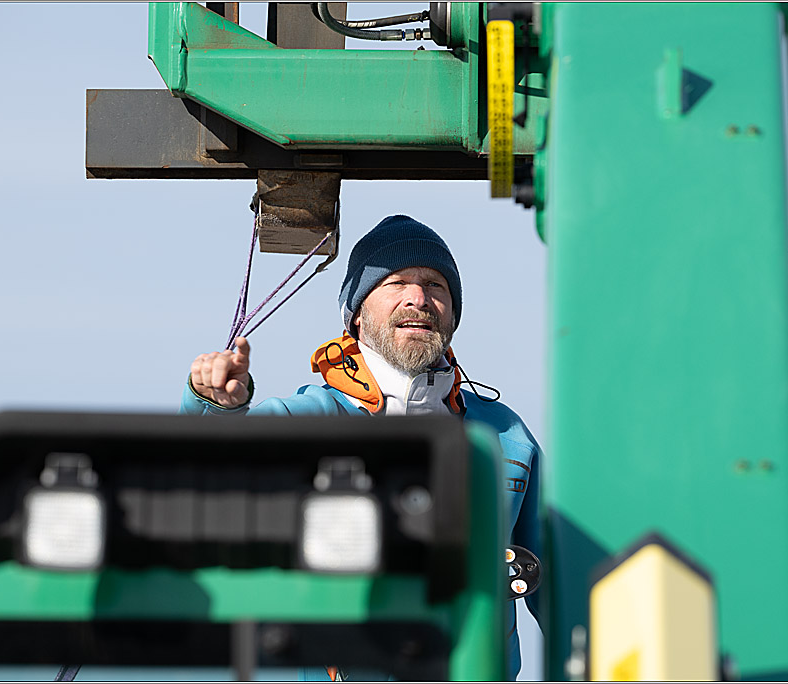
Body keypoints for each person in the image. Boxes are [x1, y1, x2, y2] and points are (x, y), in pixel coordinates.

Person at [182, 215, 542, 680]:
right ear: (356, 313)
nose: (419, 298)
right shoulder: (302, 422)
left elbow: (564, 588)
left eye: (436, 285)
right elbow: (203, 478)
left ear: (452, 311)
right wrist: (215, 406)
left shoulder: (505, 436)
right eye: (396, 283)